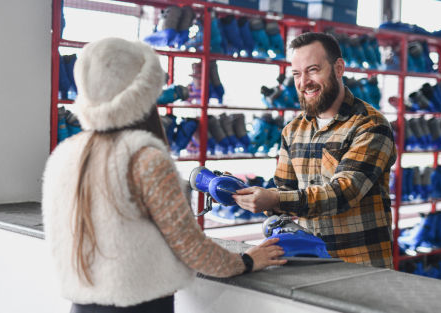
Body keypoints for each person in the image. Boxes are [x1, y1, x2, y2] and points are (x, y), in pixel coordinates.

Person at [41, 38, 286, 313]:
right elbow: (191, 247)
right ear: (144, 93)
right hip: (140, 307)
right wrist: (247, 261)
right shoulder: (146, 159)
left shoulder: (65, 155)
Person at [232, 32, 397, 268]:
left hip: (361, 267)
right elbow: (284, 192)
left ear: (338, 68)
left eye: (313, 70)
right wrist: (247, 196)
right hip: (308, 262)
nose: (303, 82)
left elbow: (343, 194)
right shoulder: (293, 130)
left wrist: (274, 199)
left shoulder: (370, 126)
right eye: (297, 74)